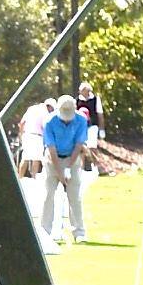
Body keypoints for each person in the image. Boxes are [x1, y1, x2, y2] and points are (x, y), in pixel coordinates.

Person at [40, 93, 90, 241]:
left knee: (74, 197)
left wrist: (67, 168)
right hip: (52, 160)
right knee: (48, 195)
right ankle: (44, 233)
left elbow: (78, 145)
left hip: (72, 159)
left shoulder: (81, 120)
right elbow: (51, 149)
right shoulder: (49, 121)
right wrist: (60, 172)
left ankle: (79, 232)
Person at [18, 97, 51, 180]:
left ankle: (19, 178)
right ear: (49, 106)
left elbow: (22, 123)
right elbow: (45, 127)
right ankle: (33, 178)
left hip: (27, 135)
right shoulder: (45, 112)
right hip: (37, 136)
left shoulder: (31, 109)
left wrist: (21, 135)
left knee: (25, 157)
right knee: (36, 158)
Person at [77, 80, 104, 176]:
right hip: (80, 127)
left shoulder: (95, 99)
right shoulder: (77, 100)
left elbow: (100, 115)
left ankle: (98, 168)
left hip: (92, 126)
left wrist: (102, 129)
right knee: (81, 147)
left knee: (92, 147)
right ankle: (81, 169)